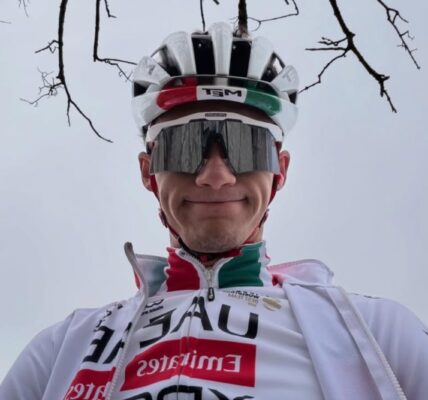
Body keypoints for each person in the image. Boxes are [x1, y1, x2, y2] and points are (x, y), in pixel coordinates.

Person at [1, 22, 427, 400]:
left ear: (279, 171)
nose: (216, 176)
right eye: (185, 146)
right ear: (148, 173)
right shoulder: (61, 350)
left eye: (246, 146)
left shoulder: (378, 333)